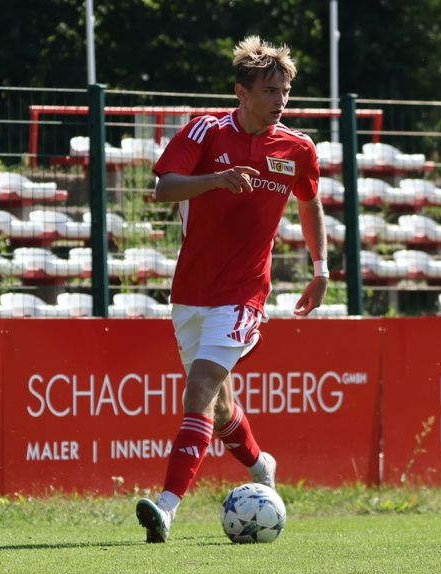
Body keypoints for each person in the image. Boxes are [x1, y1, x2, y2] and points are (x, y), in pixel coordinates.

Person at [135, 36, 328, 544]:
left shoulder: (297, 148)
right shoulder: (206, 130)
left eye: (285, 91)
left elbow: (310, 204)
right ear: (241, 92)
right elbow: (163, 188)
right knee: (218, 408)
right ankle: (262, 466)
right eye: (270, 90)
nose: (280, 101)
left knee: (197, 389)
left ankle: (166, 509)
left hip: (245, 294)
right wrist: (216, 179)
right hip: (191, 292)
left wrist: (321, 267)